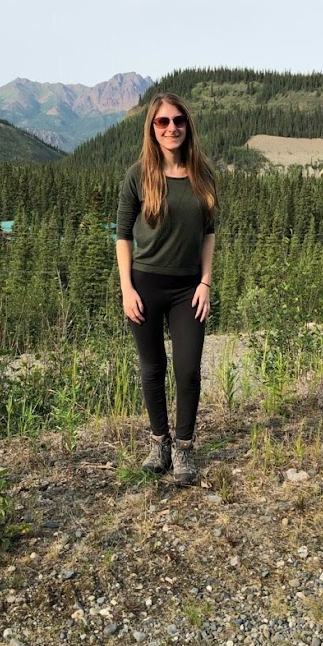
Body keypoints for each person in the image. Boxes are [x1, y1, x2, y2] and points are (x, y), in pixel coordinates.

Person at [116, 92, 218, 486]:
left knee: (189, 370)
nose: (171, 128)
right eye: (163, 122)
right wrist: (127, 288)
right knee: (152, 367)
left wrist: (206, 281)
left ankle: (185, 448)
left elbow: (209, 233)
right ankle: (159, 442)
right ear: (152, 129)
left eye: (178, 120)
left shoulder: (202, 174)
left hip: (188, 289)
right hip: (145, 283)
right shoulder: (138, 176)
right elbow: (123, 236)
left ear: (187, 125)